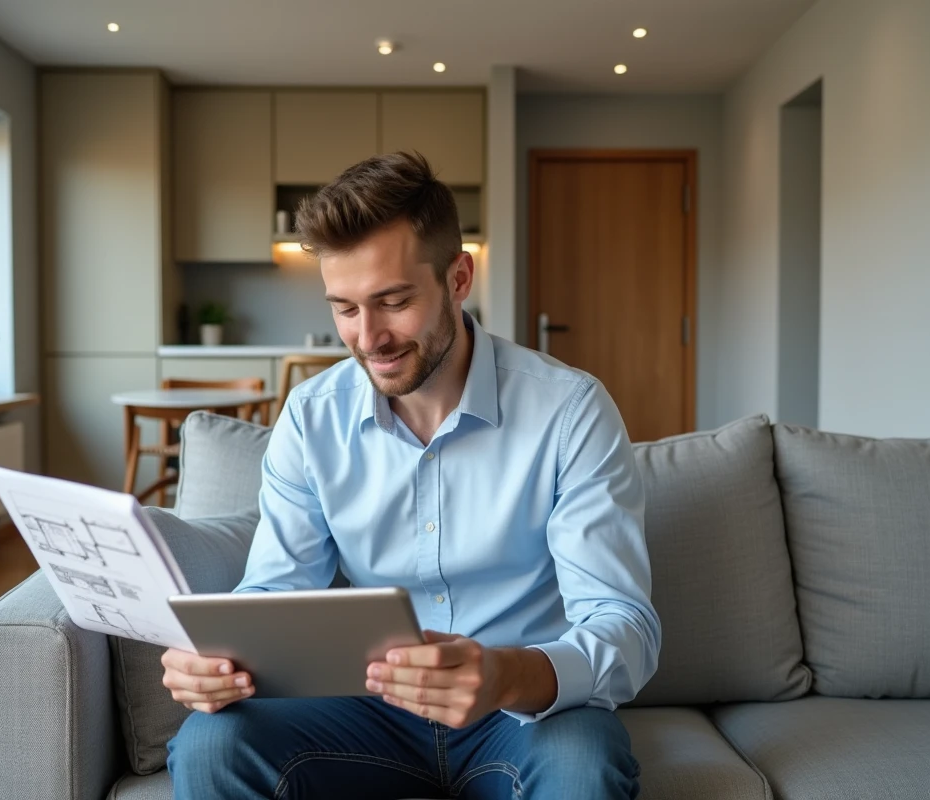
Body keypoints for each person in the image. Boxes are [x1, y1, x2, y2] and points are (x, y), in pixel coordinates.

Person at [163, 151, 661, 799]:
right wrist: (217, 659)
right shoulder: (313, 418)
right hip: (361, 707)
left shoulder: (570, 410)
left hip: (521, 714)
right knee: (211, 746)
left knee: (583, 771)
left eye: (393, 301)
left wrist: (508, 675)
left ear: (459, 278)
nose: (368, 337)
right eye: (344, 308)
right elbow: (276, 592)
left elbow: (623, 622)